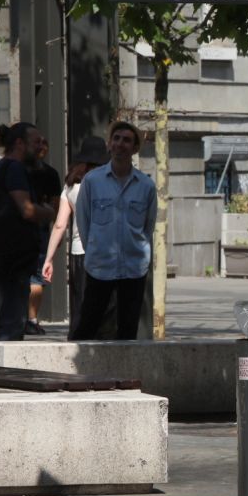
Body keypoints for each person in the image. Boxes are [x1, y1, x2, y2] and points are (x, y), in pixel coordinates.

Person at [72, 121, 156, 341]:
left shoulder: (146, 185)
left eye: (127, 140)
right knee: (88, 324)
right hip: (100, 264)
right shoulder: (92, 181)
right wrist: (95, 248)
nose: (120, 144)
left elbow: (148, 227)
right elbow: (84, 222)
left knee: (128, 329)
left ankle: (124, 374)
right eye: (116, 139)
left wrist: (140, 251)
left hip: (134, 266)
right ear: (109, 144)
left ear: (135, 148)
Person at [0, 122, 54, 341]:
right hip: (13, 258)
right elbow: (27, 210)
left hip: (0, 257)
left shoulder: (0, 168)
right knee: (12, 324)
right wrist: (47, 211)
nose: (40, 147)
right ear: (19, 143)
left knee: (5, 320)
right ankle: (6, 371)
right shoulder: (15, 169)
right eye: (35, 142)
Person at [42, 134, 108, 334]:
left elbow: (60, 225)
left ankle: (78, 342)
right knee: (102, 307)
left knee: (79, 305)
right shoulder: (106, 183)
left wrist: (49, 258)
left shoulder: (71, 185)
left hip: (78, 253)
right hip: (104, 253)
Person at [26, 130, 62, 335]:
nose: (42, 147)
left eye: (43, 142)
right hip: (39, 231)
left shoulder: (17, 170)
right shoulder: (50, 173)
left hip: (30, 232)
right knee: (37, 279)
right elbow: (55, 208)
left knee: (33, 278)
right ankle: (31, 318)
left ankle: (26, 317)